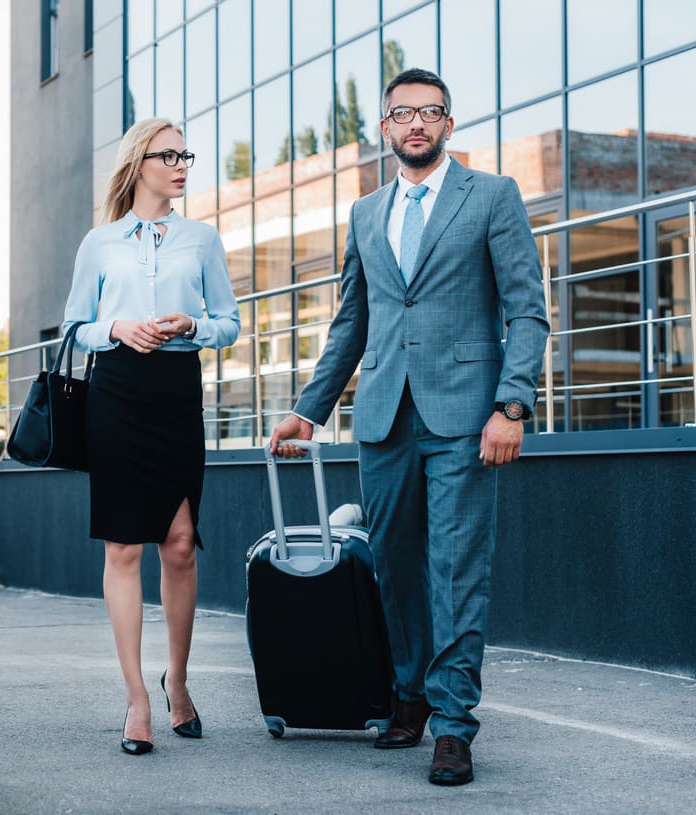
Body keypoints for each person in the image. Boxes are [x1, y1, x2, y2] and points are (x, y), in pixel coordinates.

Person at [268, 68, 548, 785]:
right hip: (384, 414)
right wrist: (309, 406)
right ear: (386, 128)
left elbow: (528, 308)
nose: (416, 124)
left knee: (456, 568)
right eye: (402, 113)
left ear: (449, 124)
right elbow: (352, 323)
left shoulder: (492, 196)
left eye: (430, 112)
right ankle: (412, 693)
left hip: (466, 416)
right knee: (393, 561)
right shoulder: (366, 213)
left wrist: (512, 403)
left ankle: (454, 724)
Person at [61, 116, 240, 756]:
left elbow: (230, 324)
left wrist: (193, 324)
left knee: (182, 543)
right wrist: (114, 330)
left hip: (174, 392)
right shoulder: (99, 242)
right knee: (122, 549)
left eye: (186, 154)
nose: (183, 164)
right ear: (140, 163)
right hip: (115, 393)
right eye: (170, 155)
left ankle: (180, 682)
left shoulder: (202, 239)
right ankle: (137, 698)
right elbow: (73, 327)